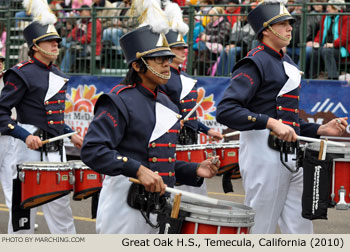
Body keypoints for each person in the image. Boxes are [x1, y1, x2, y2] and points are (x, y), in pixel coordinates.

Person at [216, 0, 348, 234]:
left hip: (292, 154)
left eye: (290, 23)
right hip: (263, 153)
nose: (289, 28)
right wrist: (268, 122)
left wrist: (319, 130)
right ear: (266, 30)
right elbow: (226, 110)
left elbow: (288, 119)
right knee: (260, 227)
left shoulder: (285, 61)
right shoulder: (254, 62)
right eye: (283, 23)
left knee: (300, 226)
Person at [80, 17, 220, 234]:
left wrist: (195, 169)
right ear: (137, 65)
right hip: (123, 203)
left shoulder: (166, 102)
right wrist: (135, 168)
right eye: (159, 59)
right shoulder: (118, 100)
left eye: (168, 58)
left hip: (159, 204)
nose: (167, 64)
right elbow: (92, 151)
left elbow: (159, 162)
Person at [0, 0, 83, 233]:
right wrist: (24, 135)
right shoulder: (21, 73)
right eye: (50, 41)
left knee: (61, 209)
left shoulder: (58, 73)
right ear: (35, 45)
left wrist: (71, 133)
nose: (57, 44)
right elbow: (1, 112)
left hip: (56, 149)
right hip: (28, 149)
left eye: (57, 41)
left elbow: (51, 118)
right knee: (23, 211)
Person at [161, 2, 223, 195]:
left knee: (197, 192)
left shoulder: (186, 78)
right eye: (178, 47)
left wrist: (207, 130)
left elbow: (190, 115)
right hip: (174, 141)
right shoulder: (162, 78)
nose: (184, 50)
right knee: (177, 194)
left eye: (184, 47)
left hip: (191, 142)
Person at [308, 0, 350, 79]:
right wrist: (316, 42)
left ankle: (333, 78)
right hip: (326, 46)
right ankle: (313, 77)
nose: (327, 9)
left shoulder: (346, 17)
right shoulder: (326, 16)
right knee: (314, 51)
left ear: (336, 8)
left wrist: (333, 44)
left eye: (329, 7)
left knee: (326, 51)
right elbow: (321, 32)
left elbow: (345, 37)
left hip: (341, 48)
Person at [0, 53, 17, 232]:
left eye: (1, 61)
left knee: (12, 184)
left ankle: (17, 221)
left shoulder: (10, 80)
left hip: (9, 137)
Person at [60, 5, 102, 73]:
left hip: (89, 47)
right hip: (78, 44)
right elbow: (73, 32)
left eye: (81, 11)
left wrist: (77, 41)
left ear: (88, 12)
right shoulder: (80, 21)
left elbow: (89, 37)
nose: (80, 13)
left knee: (72, 49)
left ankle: (63, 72)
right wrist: (70, 37)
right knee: (63, 40)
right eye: (79, 12)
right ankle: (71, 46)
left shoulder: (95, 22)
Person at [216, 5, 255, 76]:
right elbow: (232, 38)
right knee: (224, 50)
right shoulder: (236, 24)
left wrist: (234, 45)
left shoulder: (252, 25)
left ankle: (229, 74)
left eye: (245, 15)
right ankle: (219, 74)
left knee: (232, 51)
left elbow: (247, 40)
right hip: (235, 46)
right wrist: (230, 45)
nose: (242, 16)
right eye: (242, 14)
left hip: (245, 47)